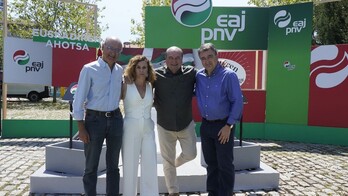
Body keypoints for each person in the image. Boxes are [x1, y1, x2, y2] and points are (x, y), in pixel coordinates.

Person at [72, 36, 124, 196]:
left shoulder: (120, 70)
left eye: (117, 50)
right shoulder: (89, 69)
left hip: (115, 119)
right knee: (91, 166)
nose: (113, 53)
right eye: (110, 48)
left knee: (114, 166)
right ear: (102, 48)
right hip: (94, 121)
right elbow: (78, 99)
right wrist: (81, 128)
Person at [195, 43, 243, 196]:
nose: (207, 60)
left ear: (216, 56)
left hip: (223, 126)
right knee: (211, 164)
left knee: (225, 165)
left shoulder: (228, 75)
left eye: (210, 56)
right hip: (206, 126)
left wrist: (229, 126)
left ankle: (226, 193)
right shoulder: (199, 76)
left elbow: (237, 101)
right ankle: (213, 192)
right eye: (203, 58)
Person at [154, 46, 197, 196]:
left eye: (177, 58)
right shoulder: (156, 75)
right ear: (165, 59)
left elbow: (207, 75)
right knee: (167, 160)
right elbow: (143, 88)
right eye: (170, 58)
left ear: (182, 59)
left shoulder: (191, 73)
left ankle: (174, 164)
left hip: (186, 123)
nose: (174, 61)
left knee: (191, 154)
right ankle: (173, 191)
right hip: (164, 125)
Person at [121, 55, 159, 196]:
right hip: (130, 129)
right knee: (130, 166)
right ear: (133, 68)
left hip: (148, 129)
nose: (141, 70)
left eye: (144, 67)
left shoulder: (150, 85)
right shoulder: (125, 84)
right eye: (138, 67)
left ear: (148, 70)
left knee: (150, 165)